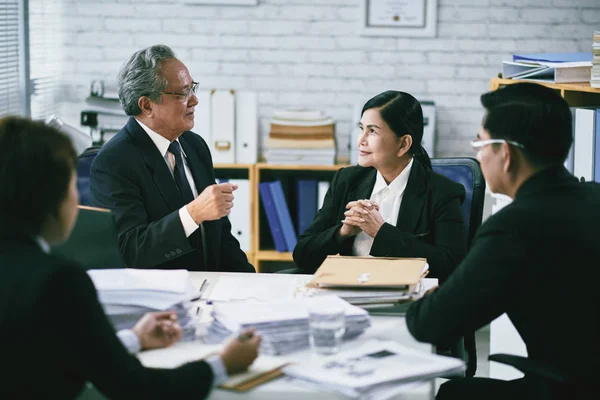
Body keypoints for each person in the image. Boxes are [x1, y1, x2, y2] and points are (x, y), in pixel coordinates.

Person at [0, 116, 261, 399]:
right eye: (72, 183)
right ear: (50, 196)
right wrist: (222, 364)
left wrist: (133, 338)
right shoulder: (59, 282)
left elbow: (55, 352)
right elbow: (137, 387)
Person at [405, 82, 600, 400]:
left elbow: (429, 325)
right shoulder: (594, 195)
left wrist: (433, 293)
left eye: (481, 144)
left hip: (568, 391)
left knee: (453, 393)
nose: (478, 155)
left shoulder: (513, 228)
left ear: (505, 153)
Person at [90, 44, 254, 272]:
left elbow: (221, 237)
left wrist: (252, 284)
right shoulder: (114, 161)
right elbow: (131, 251)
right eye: (182, 93)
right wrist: (193, 213)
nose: (195, 100)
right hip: (159, 298)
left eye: (193, 88)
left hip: (212, 290)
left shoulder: (194, 145)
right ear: (147, 105)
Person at [293, 90, 467, 283]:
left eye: (373, 131)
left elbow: (451, 265)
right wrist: (342, 233)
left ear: (403, 144)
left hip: (405, 298)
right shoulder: (346, 180)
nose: (361, 140)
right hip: (344, 292)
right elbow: (302, 254)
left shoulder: (442, 192)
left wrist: (381, 233)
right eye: (361, 129)